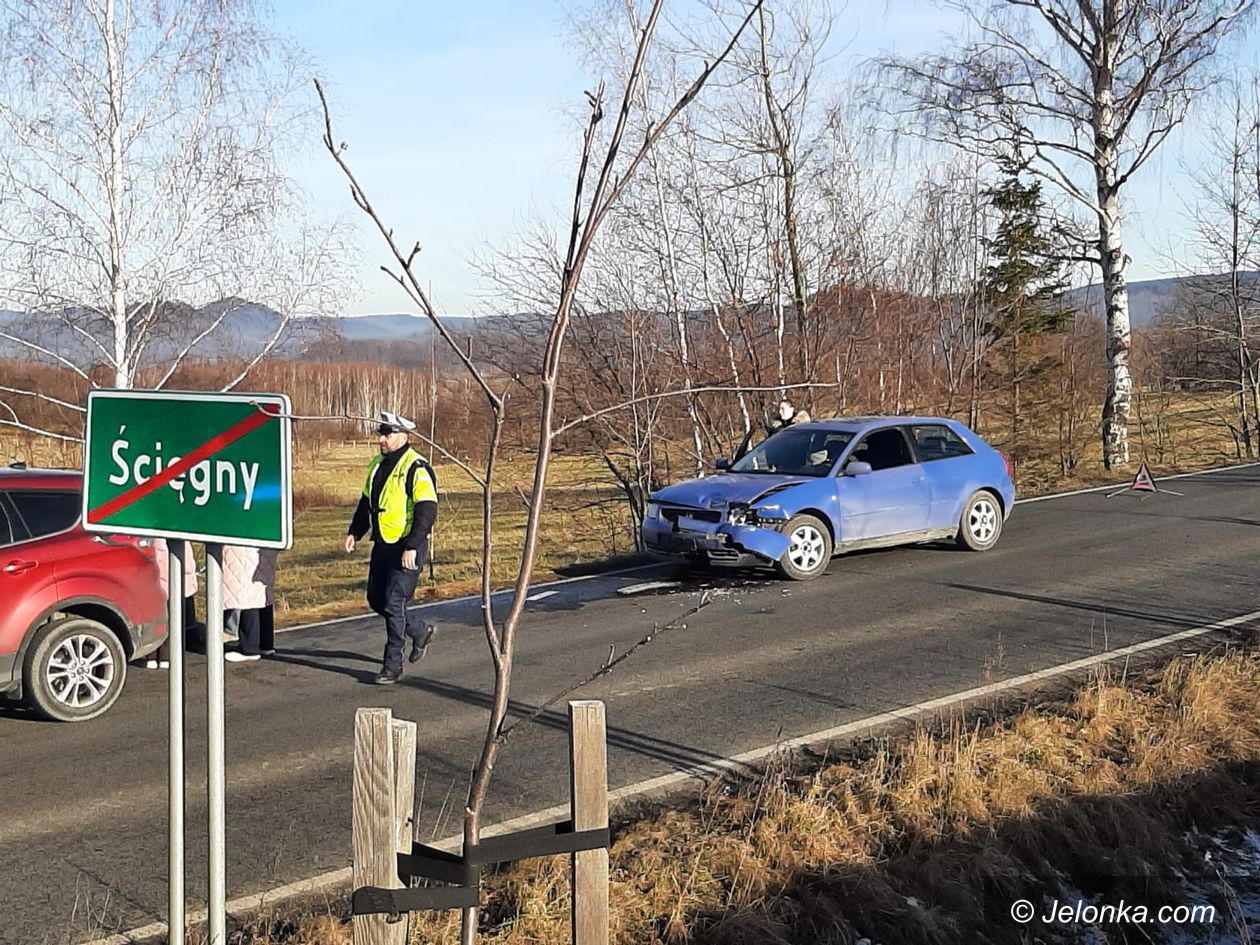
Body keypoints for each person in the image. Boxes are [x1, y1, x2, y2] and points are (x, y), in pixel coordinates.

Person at [344, 410, 439, 685]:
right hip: (383, 543)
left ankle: (392, 665)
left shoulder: (416, 466)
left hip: (407, 545)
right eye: (381, 434)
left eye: (387, 435)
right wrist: (355, 531)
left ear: (404, 436)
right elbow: (366, 502)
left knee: (394, 602)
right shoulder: (377, 464)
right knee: (376, 599)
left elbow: (427, 510)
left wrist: (412, 545)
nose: (381, 440)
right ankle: (419, 631)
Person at [149, 538, 206, 667]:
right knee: (175, 617)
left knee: (155, 616)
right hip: (176, 575)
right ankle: (167, 654)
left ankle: (152, 654)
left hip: (155, 567)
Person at [221, 545, 278, 662]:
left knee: (246, 594)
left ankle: (249, 647)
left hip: (244, 546)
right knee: (260, 593)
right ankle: (265, 644)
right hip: (264, 546)